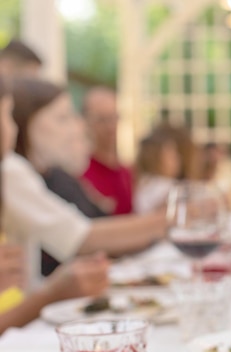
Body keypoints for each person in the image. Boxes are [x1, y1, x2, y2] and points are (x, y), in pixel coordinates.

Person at [3, 77, 166, 283]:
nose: (77, 128)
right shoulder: (11, 171)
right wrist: (170, 219)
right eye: (62, 118)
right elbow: (81, 239)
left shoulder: (48, 174)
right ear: (25, 121)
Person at [82, 86, 133, 215]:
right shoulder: (80, 173)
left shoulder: (127, 171)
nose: (110, 127)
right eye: (101, 120)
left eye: (114, 117)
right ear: (86, 122)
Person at [134, 128, 182, 214]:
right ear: (155, 160)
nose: (178, 159)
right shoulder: (165, 186)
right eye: (171, 156)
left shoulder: (142, 183)